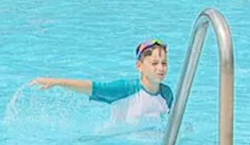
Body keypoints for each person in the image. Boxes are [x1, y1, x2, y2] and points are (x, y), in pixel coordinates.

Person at [33, 40, 173, 124]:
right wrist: (57, 82)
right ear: (139, 66)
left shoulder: (167, 94)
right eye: (154, 63)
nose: (160, 68)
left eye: (164, 63)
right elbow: (94, 88)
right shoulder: (127, 89)